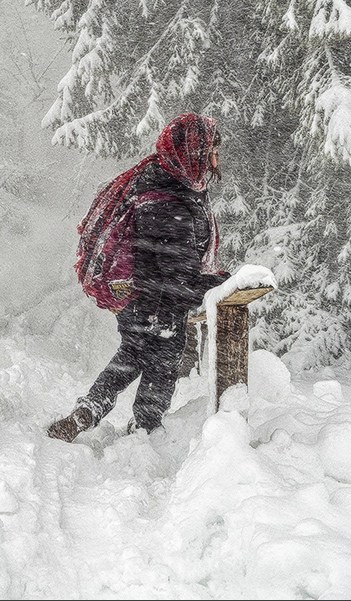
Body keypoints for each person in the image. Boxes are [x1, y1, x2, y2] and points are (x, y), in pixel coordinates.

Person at [47, 112, 229, 442]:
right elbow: (177, 272)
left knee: (132, 356)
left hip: (140, 298)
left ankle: (87, 412)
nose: (215, 161)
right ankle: (143, 434)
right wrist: (224, 285)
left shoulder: (166, 181)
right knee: (162, 364)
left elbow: (174, 263)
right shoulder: (165, 197)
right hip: (155, 301)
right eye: (211, 153)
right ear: (194, 153)